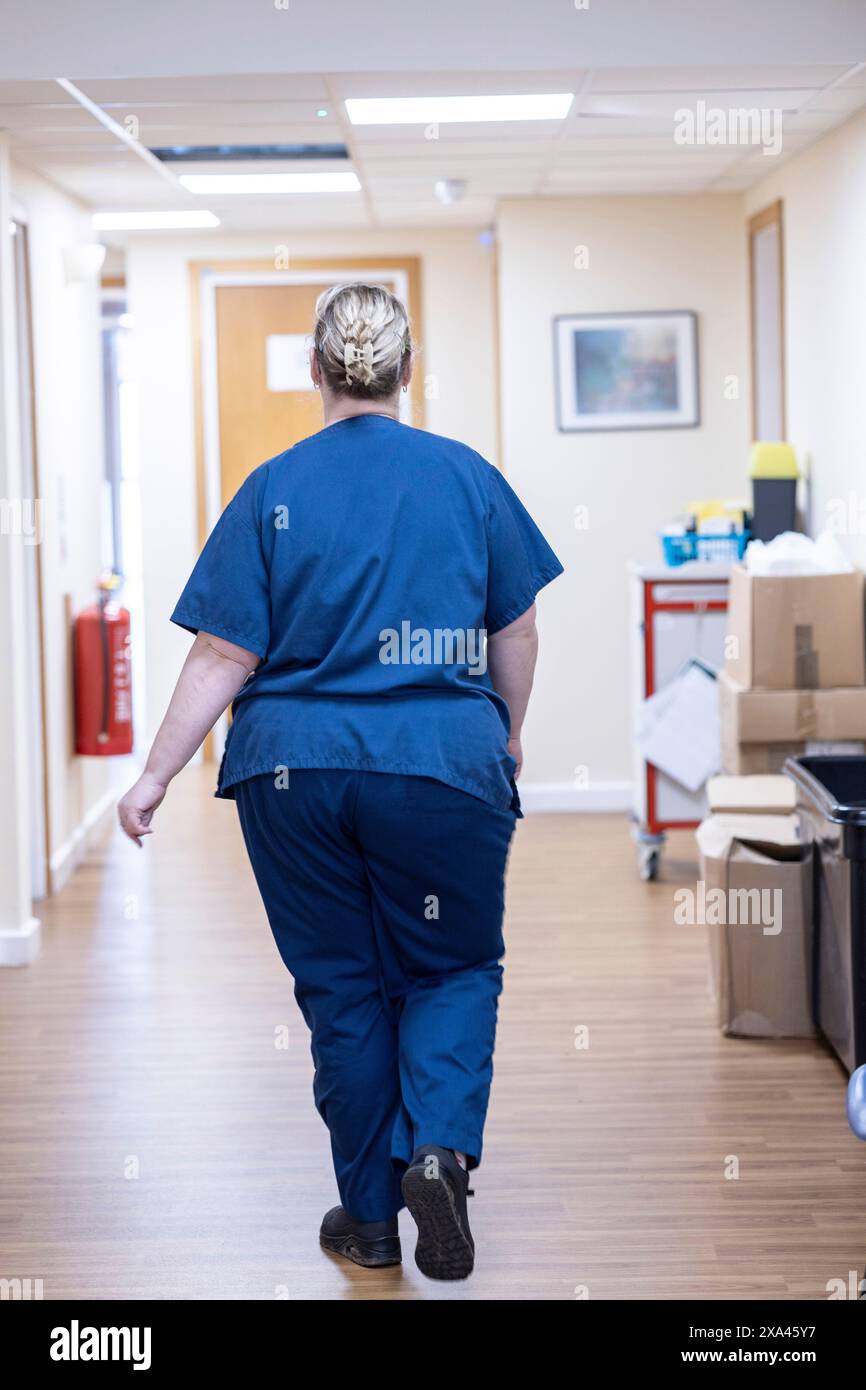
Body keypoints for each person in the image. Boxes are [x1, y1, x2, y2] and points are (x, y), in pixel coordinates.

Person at [118, 282, 563, 1281]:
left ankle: (366, 1217)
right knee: (449, 966)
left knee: (342, 989)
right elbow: (516, 628)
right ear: (409, 370)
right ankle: (439, 1152)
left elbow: (221, 654)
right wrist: (508, 733)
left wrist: (154, 775)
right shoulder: (467, 479)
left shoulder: (271, 486)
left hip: (292, 772)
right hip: (443, 767)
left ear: (316, 372)